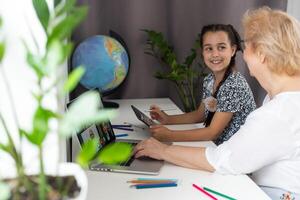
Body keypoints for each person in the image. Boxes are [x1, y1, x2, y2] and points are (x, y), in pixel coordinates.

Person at [134, 7, 300, 199]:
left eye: (247, 47)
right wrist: (169, 121)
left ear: (261, 53)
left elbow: (221, 160)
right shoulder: (280, 98)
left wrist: (162, 150)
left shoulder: (276, 114)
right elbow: (203, 113)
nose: (245, 56)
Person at [149, 24, 256, 145]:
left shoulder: (234, 85)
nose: (215, 54)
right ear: (203, 52)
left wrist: (169, 135)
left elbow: (212, 132)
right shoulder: (209, 80)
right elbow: (200, 115)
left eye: (221, 47)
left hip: (235, 153)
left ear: (232, 50)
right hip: (215, 147)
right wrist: (167, 119)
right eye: (209, 48)